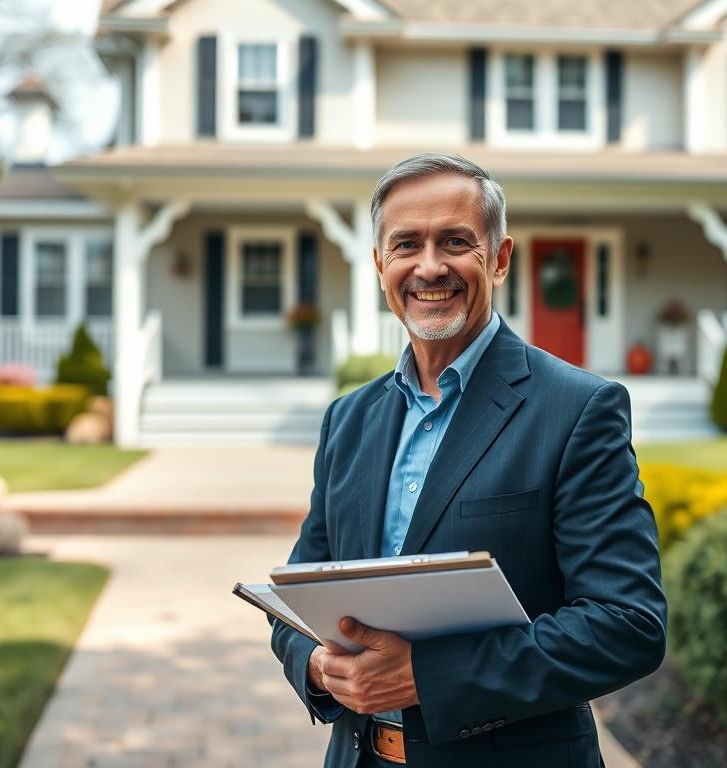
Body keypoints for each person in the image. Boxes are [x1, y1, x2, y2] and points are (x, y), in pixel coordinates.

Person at [270, 154, 666, 768]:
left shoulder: (578, 409)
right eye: (406, 244)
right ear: (380, 264)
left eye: (455, 242)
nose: (429, 266)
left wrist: (430, 677)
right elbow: (299, 599)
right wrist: (318, 666)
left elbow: (626, 623)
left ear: (500, 258)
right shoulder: (348, 421)